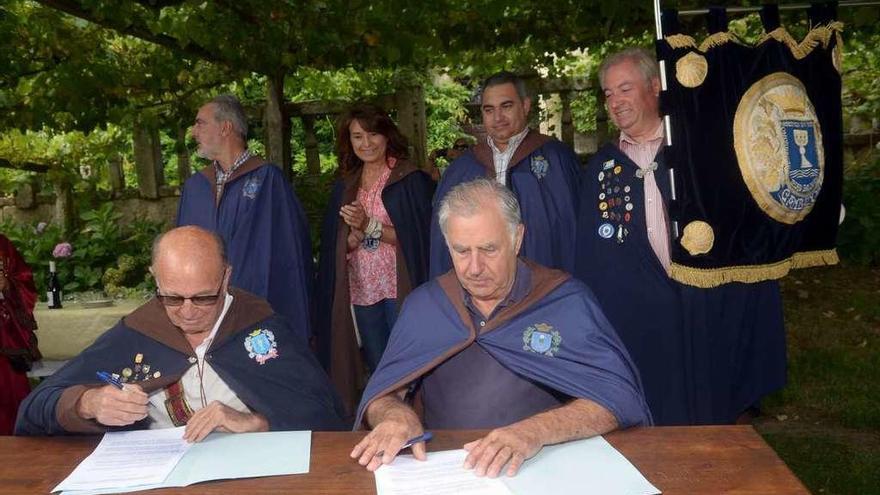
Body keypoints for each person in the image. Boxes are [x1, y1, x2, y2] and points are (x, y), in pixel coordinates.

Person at [352, 179, 650, 478]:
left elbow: (618, 399)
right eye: (461, 251)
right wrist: (394, 417)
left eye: (489, 249)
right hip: (450, 472)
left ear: (517, 238)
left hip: (542, 465)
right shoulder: (426, 306)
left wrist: (535, 431)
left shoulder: (564, 301)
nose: (475, 267)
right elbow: (383, 394)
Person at [574, 48, 786, 425]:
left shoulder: (696, 152)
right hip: (637, 318)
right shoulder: (602, 168)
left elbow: (735, 227)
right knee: (647, 415)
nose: (615, 102)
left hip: (697, 305)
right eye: (608, 93)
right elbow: (593, 255)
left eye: (625, 89)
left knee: (706, 411)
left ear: (655, 87)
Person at [15, 226, 347, 437]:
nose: (187, 311)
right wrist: (88, 402)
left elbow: (325, 413)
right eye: (172, 297)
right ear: (154, 278)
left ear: (226, 278)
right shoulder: (139, 330)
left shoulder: (259, 325)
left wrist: (258, 422)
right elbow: (36, 407)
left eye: (204, 297)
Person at [314, 104, 434, 415]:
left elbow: (417, 236)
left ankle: (416, 415)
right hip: (363, 286)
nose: (366, 143)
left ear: (386, 135)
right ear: (349, 142)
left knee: (405, 358)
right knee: (378, 359)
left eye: (372, 134)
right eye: (357, 137)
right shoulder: (347, 183)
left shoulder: (408, 178)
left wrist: (369, 225)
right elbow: (340, 242)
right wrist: (351, 238)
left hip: (399, 286)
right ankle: (387, 419)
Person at [177, 94, 313, 342]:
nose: (193, 132)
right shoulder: (195, 187)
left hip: (255, 309)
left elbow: (289, 255)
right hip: (203, 309)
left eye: (200, 123)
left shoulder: (268, 181)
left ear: (226, 127)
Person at [428, 72, 581, 278]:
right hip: (479, 285)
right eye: (489, 110)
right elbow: (441, 240)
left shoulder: (557, 160)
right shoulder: (462, 169)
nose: (497, 117)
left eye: (506, 106)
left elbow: (574, 230)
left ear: (525, 106)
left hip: (543, 285)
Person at [0, 234, 39, 435]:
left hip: (4, 341)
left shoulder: (2, 244)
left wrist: (8, 285)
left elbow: (24, 279)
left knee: (9, 395)